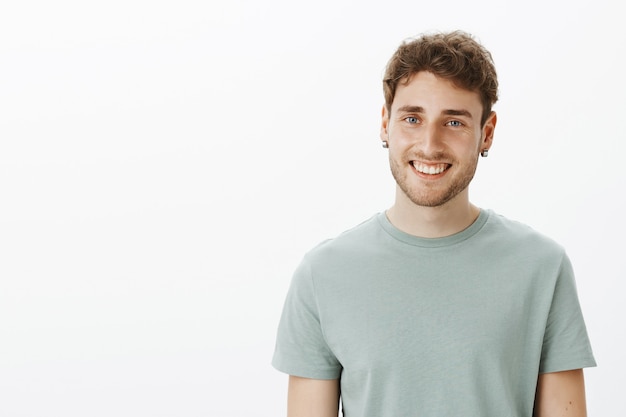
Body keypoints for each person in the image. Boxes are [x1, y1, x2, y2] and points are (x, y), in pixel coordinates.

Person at [272, 30, 595, 416]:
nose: (429, 144)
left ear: (486, 133)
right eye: (412, 118)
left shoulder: (542, 267)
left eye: (454, 123)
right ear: (384, 124)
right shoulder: (322, 275)